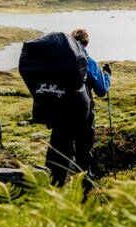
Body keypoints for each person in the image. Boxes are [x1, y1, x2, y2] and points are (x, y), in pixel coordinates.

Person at [45, 28, 111, 192]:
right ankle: (84, 193)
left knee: (58, 153)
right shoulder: (89, 61)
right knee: (83, 153)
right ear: (87, 42)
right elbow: (102, 90)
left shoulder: (59, 60)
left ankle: (52, 191)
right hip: (83, 116)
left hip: (61, 116)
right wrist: (107, 75)